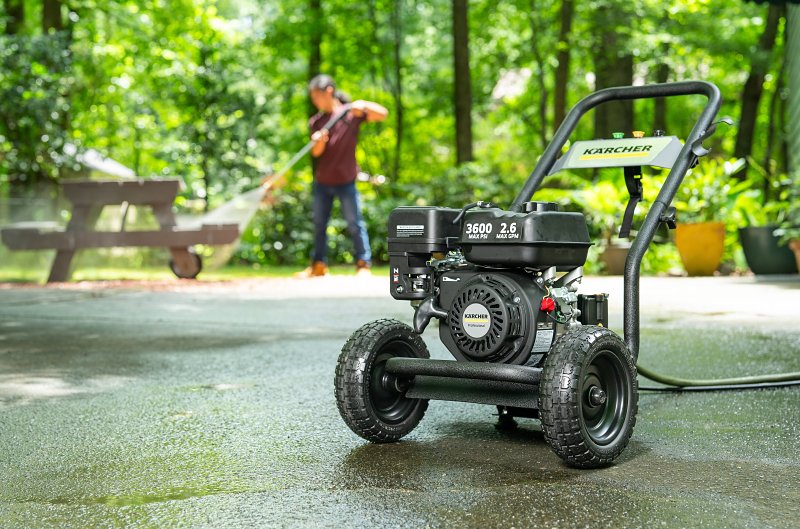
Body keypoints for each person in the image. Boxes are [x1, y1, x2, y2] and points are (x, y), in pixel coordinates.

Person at [296, 74, 388, 278]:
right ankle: (318, 265)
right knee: (319, 224)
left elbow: (383, 114)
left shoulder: (351, 114)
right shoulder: (317, 121)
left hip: (346, 180)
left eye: (317, 97)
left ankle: (363, 264)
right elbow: (316, 153)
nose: (315, 102)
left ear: (329, 91)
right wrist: (319, 140)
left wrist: (363, 104)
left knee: (355, 223)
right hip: (323, 181)